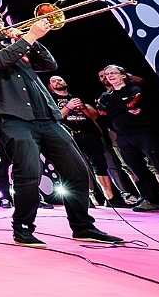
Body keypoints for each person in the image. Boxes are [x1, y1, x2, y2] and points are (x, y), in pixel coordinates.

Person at [0, 9, 121, 248]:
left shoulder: (16, 47)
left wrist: (31, 41)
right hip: (12, 117)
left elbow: (49, 64)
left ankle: (83, 227)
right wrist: (29, 38)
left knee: (77, 170)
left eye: (0, 19)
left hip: (46, 117)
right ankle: (23, 227)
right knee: (29, 171)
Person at [96, 65, 159, 215]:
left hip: (143, 133)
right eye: (106, 74)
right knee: (136, 169)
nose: (109, 76)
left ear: (123, 75)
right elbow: (102, 111)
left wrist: (117, 107)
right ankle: (149, 200)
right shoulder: (105, 96)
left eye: (113, 73)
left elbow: (131, 103)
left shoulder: (135, 90)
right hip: (122, 136)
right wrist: (125, 108)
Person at [47, 75, 135, 208]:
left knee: (100, 165)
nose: (57, 82)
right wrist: (69, 107)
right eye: (53, 81)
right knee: (76, 167)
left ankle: (110, 198)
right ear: (51, 87)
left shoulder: (78, 97)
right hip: (69, 136)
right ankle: (85, 197)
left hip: (89, 134)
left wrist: (82, 107)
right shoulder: (50, 100)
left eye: (60, 79)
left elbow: (94, 115)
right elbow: (55, 117)